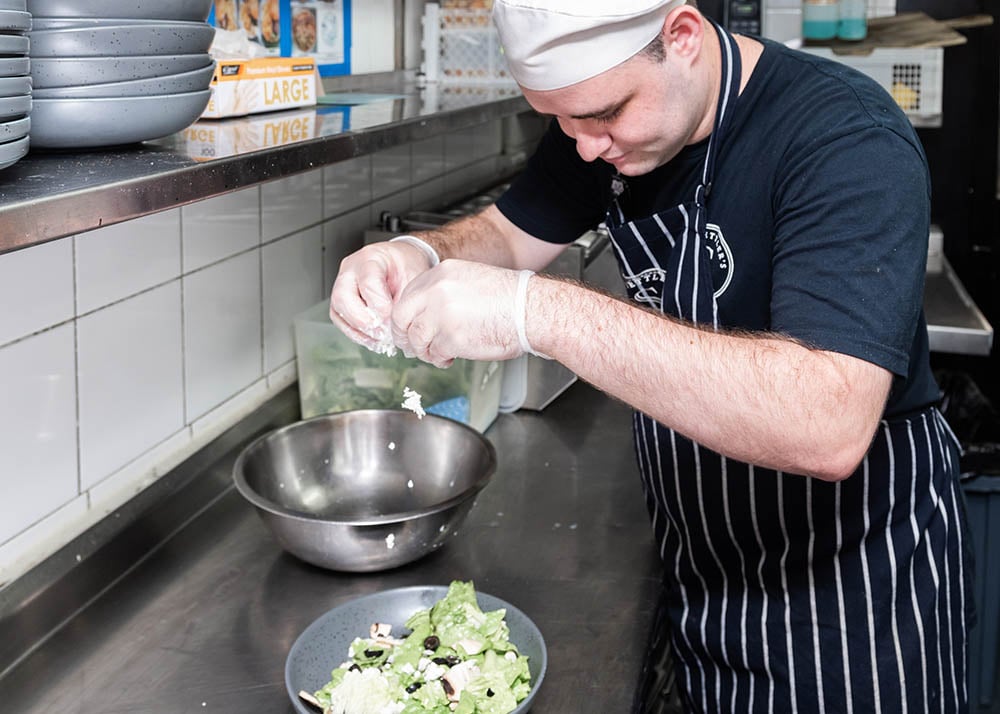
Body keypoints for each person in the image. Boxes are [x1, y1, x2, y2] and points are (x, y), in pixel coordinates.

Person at [329, 1, 973, 711]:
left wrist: (536, 310)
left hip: (850, 597)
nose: (582, 145)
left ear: (683, 37)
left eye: (602, 114)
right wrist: (415, 255)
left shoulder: (845, 136)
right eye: (559, 119)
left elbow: (826, 422)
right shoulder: (599, 128)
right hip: (703, 567)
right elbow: (509, 236)